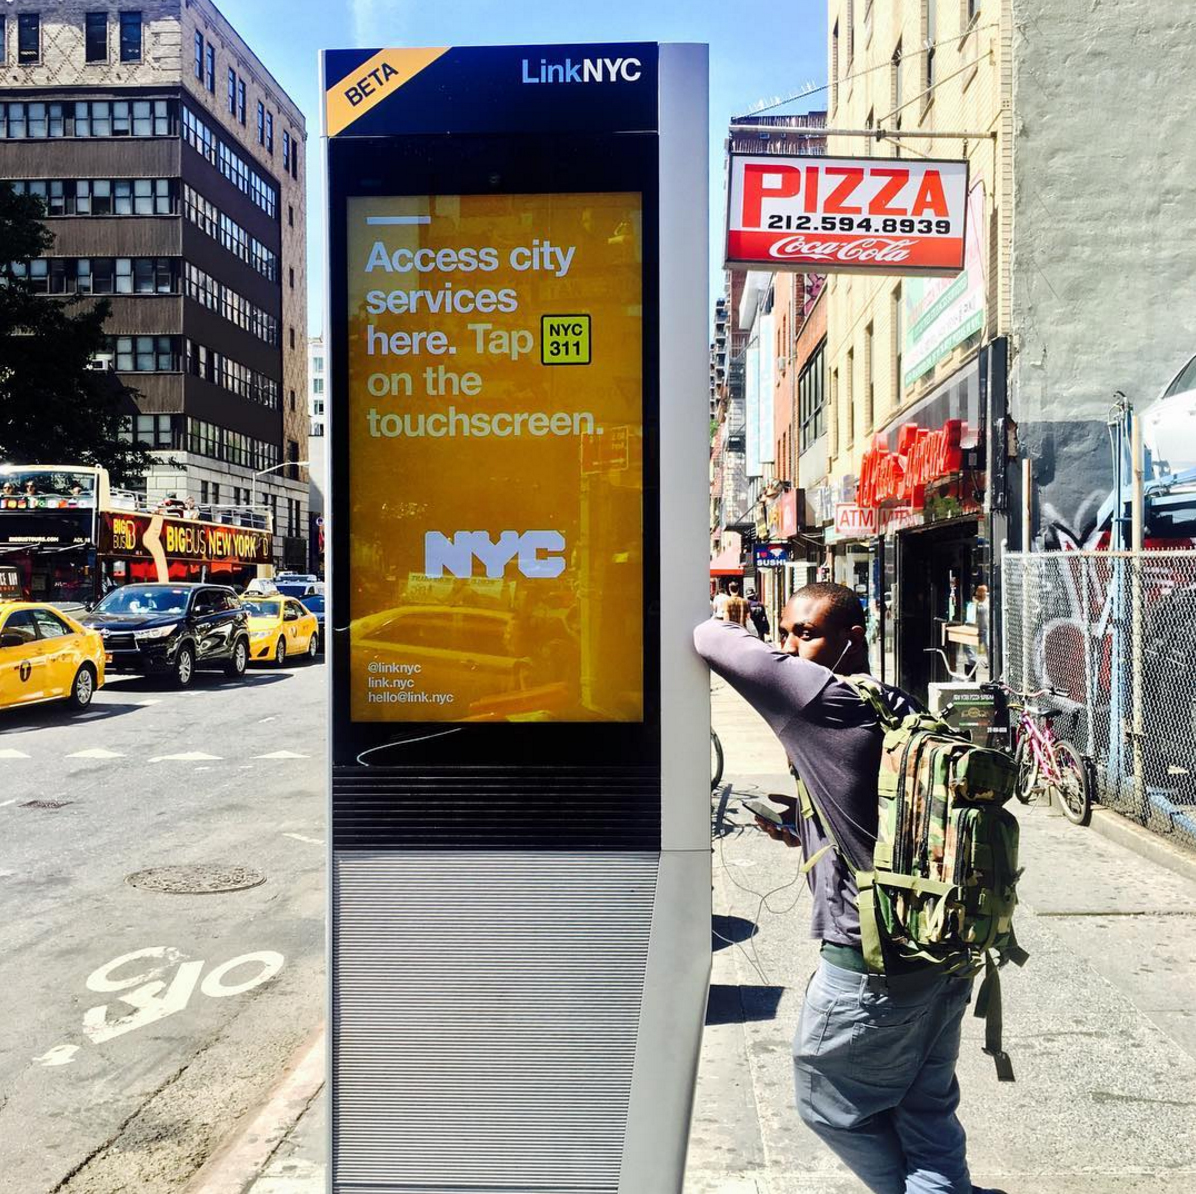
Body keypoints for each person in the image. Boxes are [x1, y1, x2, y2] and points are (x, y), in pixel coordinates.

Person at [694, 583, 1004, 1194]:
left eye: (803, 633)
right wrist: (802, 824)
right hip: (945, 956)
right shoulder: (892, 702)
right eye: (782, 632)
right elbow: (887, 814)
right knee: (924, 1110)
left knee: (827, 1103)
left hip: (871, 968)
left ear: (850, 638)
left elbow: (708, 637)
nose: (788, 646)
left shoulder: (817, 702)